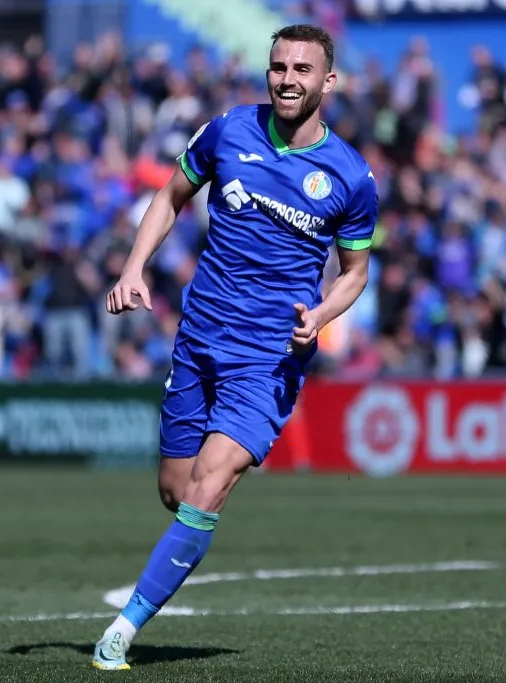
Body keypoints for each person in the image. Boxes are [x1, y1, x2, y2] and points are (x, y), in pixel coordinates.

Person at [91, 23, 378, 670]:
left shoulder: (351, 177)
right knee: (175, 489)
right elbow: (169, 197)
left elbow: (356, 271)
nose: (287, 79)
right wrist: (134, 267)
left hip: (269, 355)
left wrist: (324, 313)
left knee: (209, 486)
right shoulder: (228, 130)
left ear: (327, 81)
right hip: (200, 335)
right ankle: (184, 531)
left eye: (302, 70)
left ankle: (122, 629)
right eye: (279, 67)